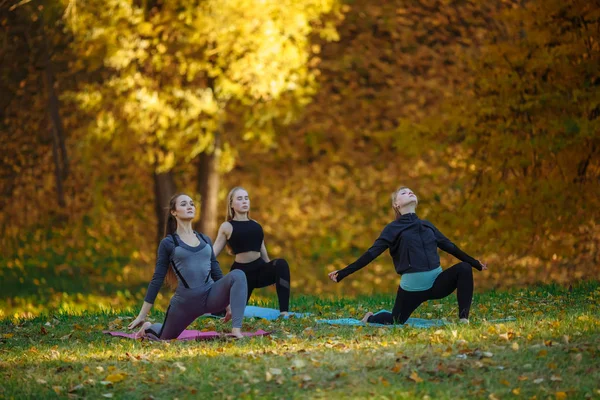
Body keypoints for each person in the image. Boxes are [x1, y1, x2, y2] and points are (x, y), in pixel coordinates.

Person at [328, 187, 487, 324]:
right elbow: (370, 254)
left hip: (437, 284)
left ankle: (463, 320)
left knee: (464, 268)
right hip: (412, 289)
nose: (409, 193)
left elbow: (451, 247)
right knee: (395, 320)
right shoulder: (392, 229)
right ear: (396, 205)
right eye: (403, 193)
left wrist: (475, 263)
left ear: (416, 201)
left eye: (411, 192)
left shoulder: (427, 225)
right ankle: (369, 318)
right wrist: (343, 273)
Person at [128, 193, 247, 339]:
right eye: (183, 204)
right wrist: (142, 316)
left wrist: (228, 305)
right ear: (174, 212)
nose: (189, 206)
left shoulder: (205, 239)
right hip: (185, 303)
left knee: (238, 274)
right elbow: (157, 279)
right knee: (165, 338)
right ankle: (148, 328)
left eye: (191, 204)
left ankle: (236, 330)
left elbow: (216, 273)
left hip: (210, 297)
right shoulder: (169, 243)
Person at [212, 187, 290, 316]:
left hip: (259, 269)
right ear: (231, 204)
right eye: (240, 198)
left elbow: (262, 248)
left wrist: (273, 271)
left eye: (246, 198)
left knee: (281, 264)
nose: (244, 201)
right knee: (225, 312)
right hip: (241, 275)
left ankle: (284, 313)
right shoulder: (227, 226)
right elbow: (214, 251)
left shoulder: (256, 224)